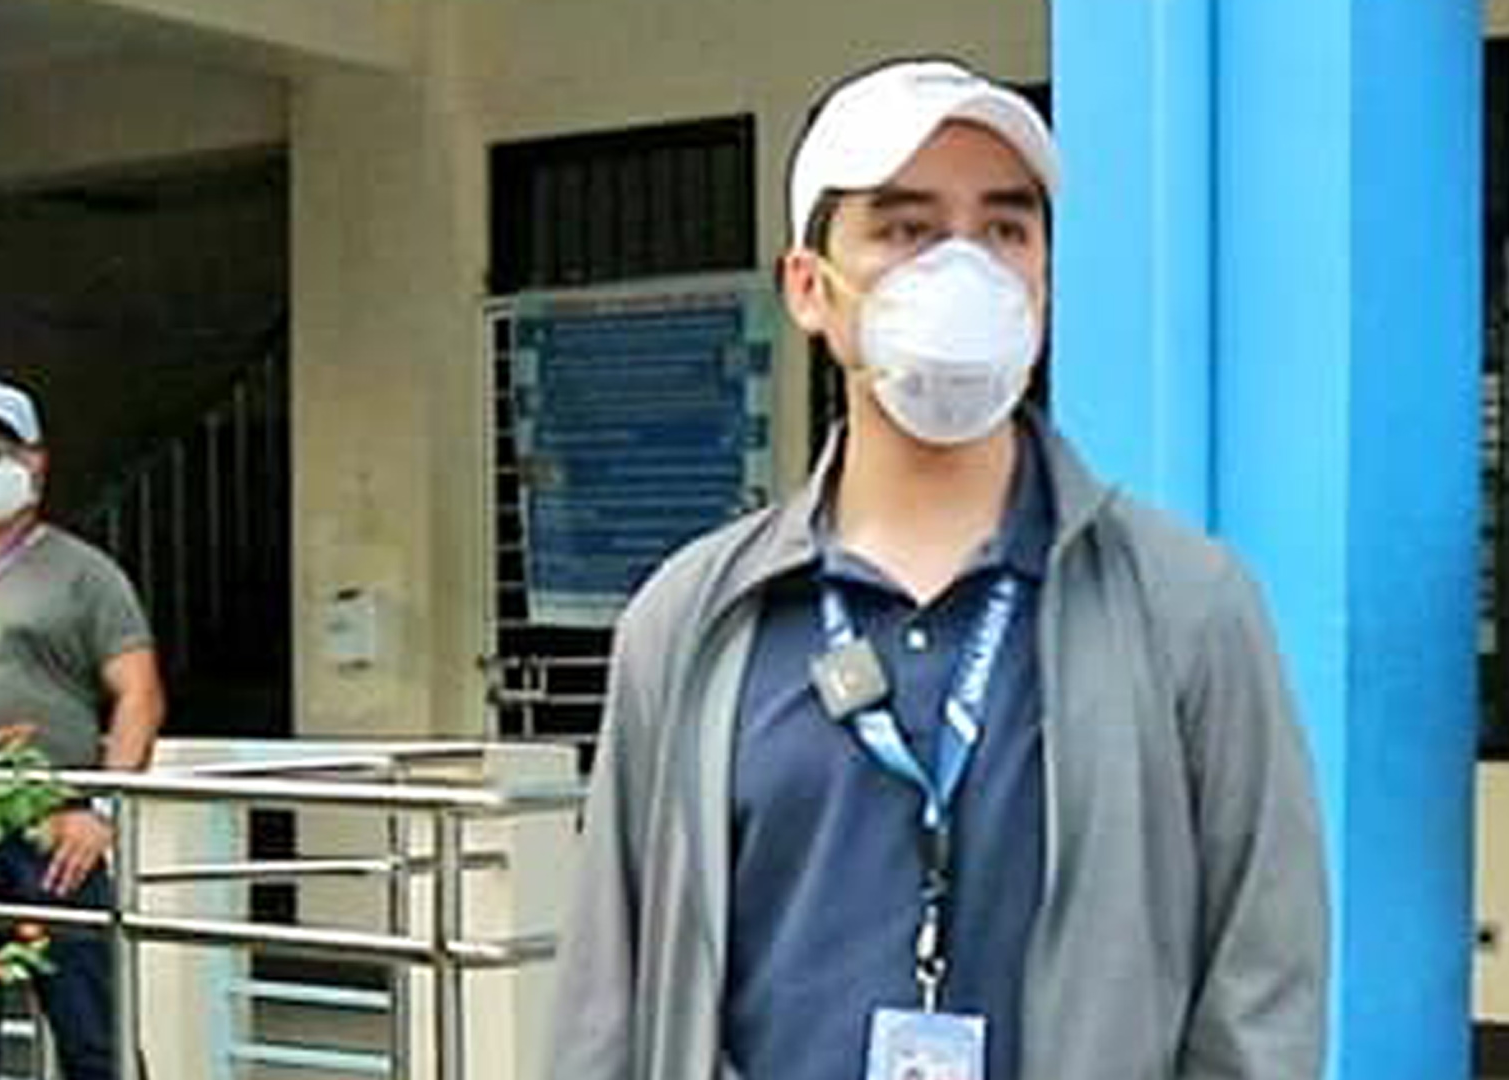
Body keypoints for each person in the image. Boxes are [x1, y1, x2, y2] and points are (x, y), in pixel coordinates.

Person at [545, 57, 1328, 1080]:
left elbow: (1263, 983)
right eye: (907, 229)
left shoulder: (1187, 607)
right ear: (809, 288)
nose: (964, 270)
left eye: (1005, 230)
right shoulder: (693, 621)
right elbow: (607, 994)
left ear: (1044, 281)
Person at [0, 380, 165, 1080]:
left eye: (2, 448)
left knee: (92, 1032)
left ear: (38, 461)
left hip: (52, 827)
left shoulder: (84, 574)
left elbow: (139, 694)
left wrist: (102, 807)